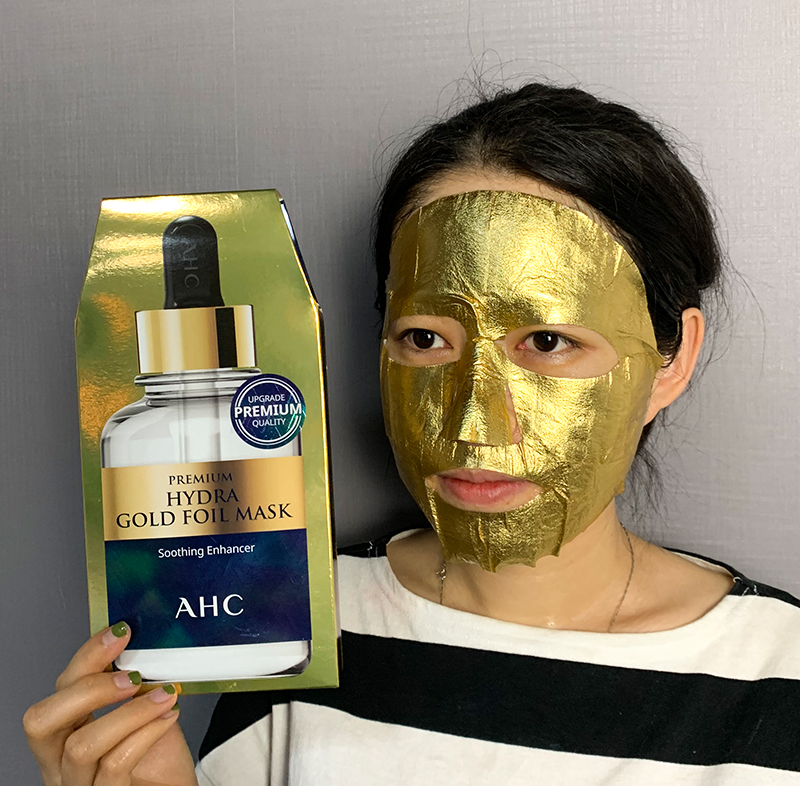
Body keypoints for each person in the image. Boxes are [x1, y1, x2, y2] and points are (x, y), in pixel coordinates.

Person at [24, 83, 800, 785]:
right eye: (425, 339)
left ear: (671, 360)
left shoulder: (778, 672)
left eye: (548, 341)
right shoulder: (298, 624)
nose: (471, 424)